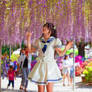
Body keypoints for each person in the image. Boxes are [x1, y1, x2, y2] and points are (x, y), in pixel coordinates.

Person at [27, 22, 73, 92]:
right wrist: (28, 39)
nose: (44, 28)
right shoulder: (39, 41)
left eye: (46, 27)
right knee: (40, 90)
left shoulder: (55, 41)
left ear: (50, 30)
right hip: (40, 66)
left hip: (50, 67)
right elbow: (30, 51)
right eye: (43, 26)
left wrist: (66, 48)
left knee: (49, 90)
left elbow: (60, 54)